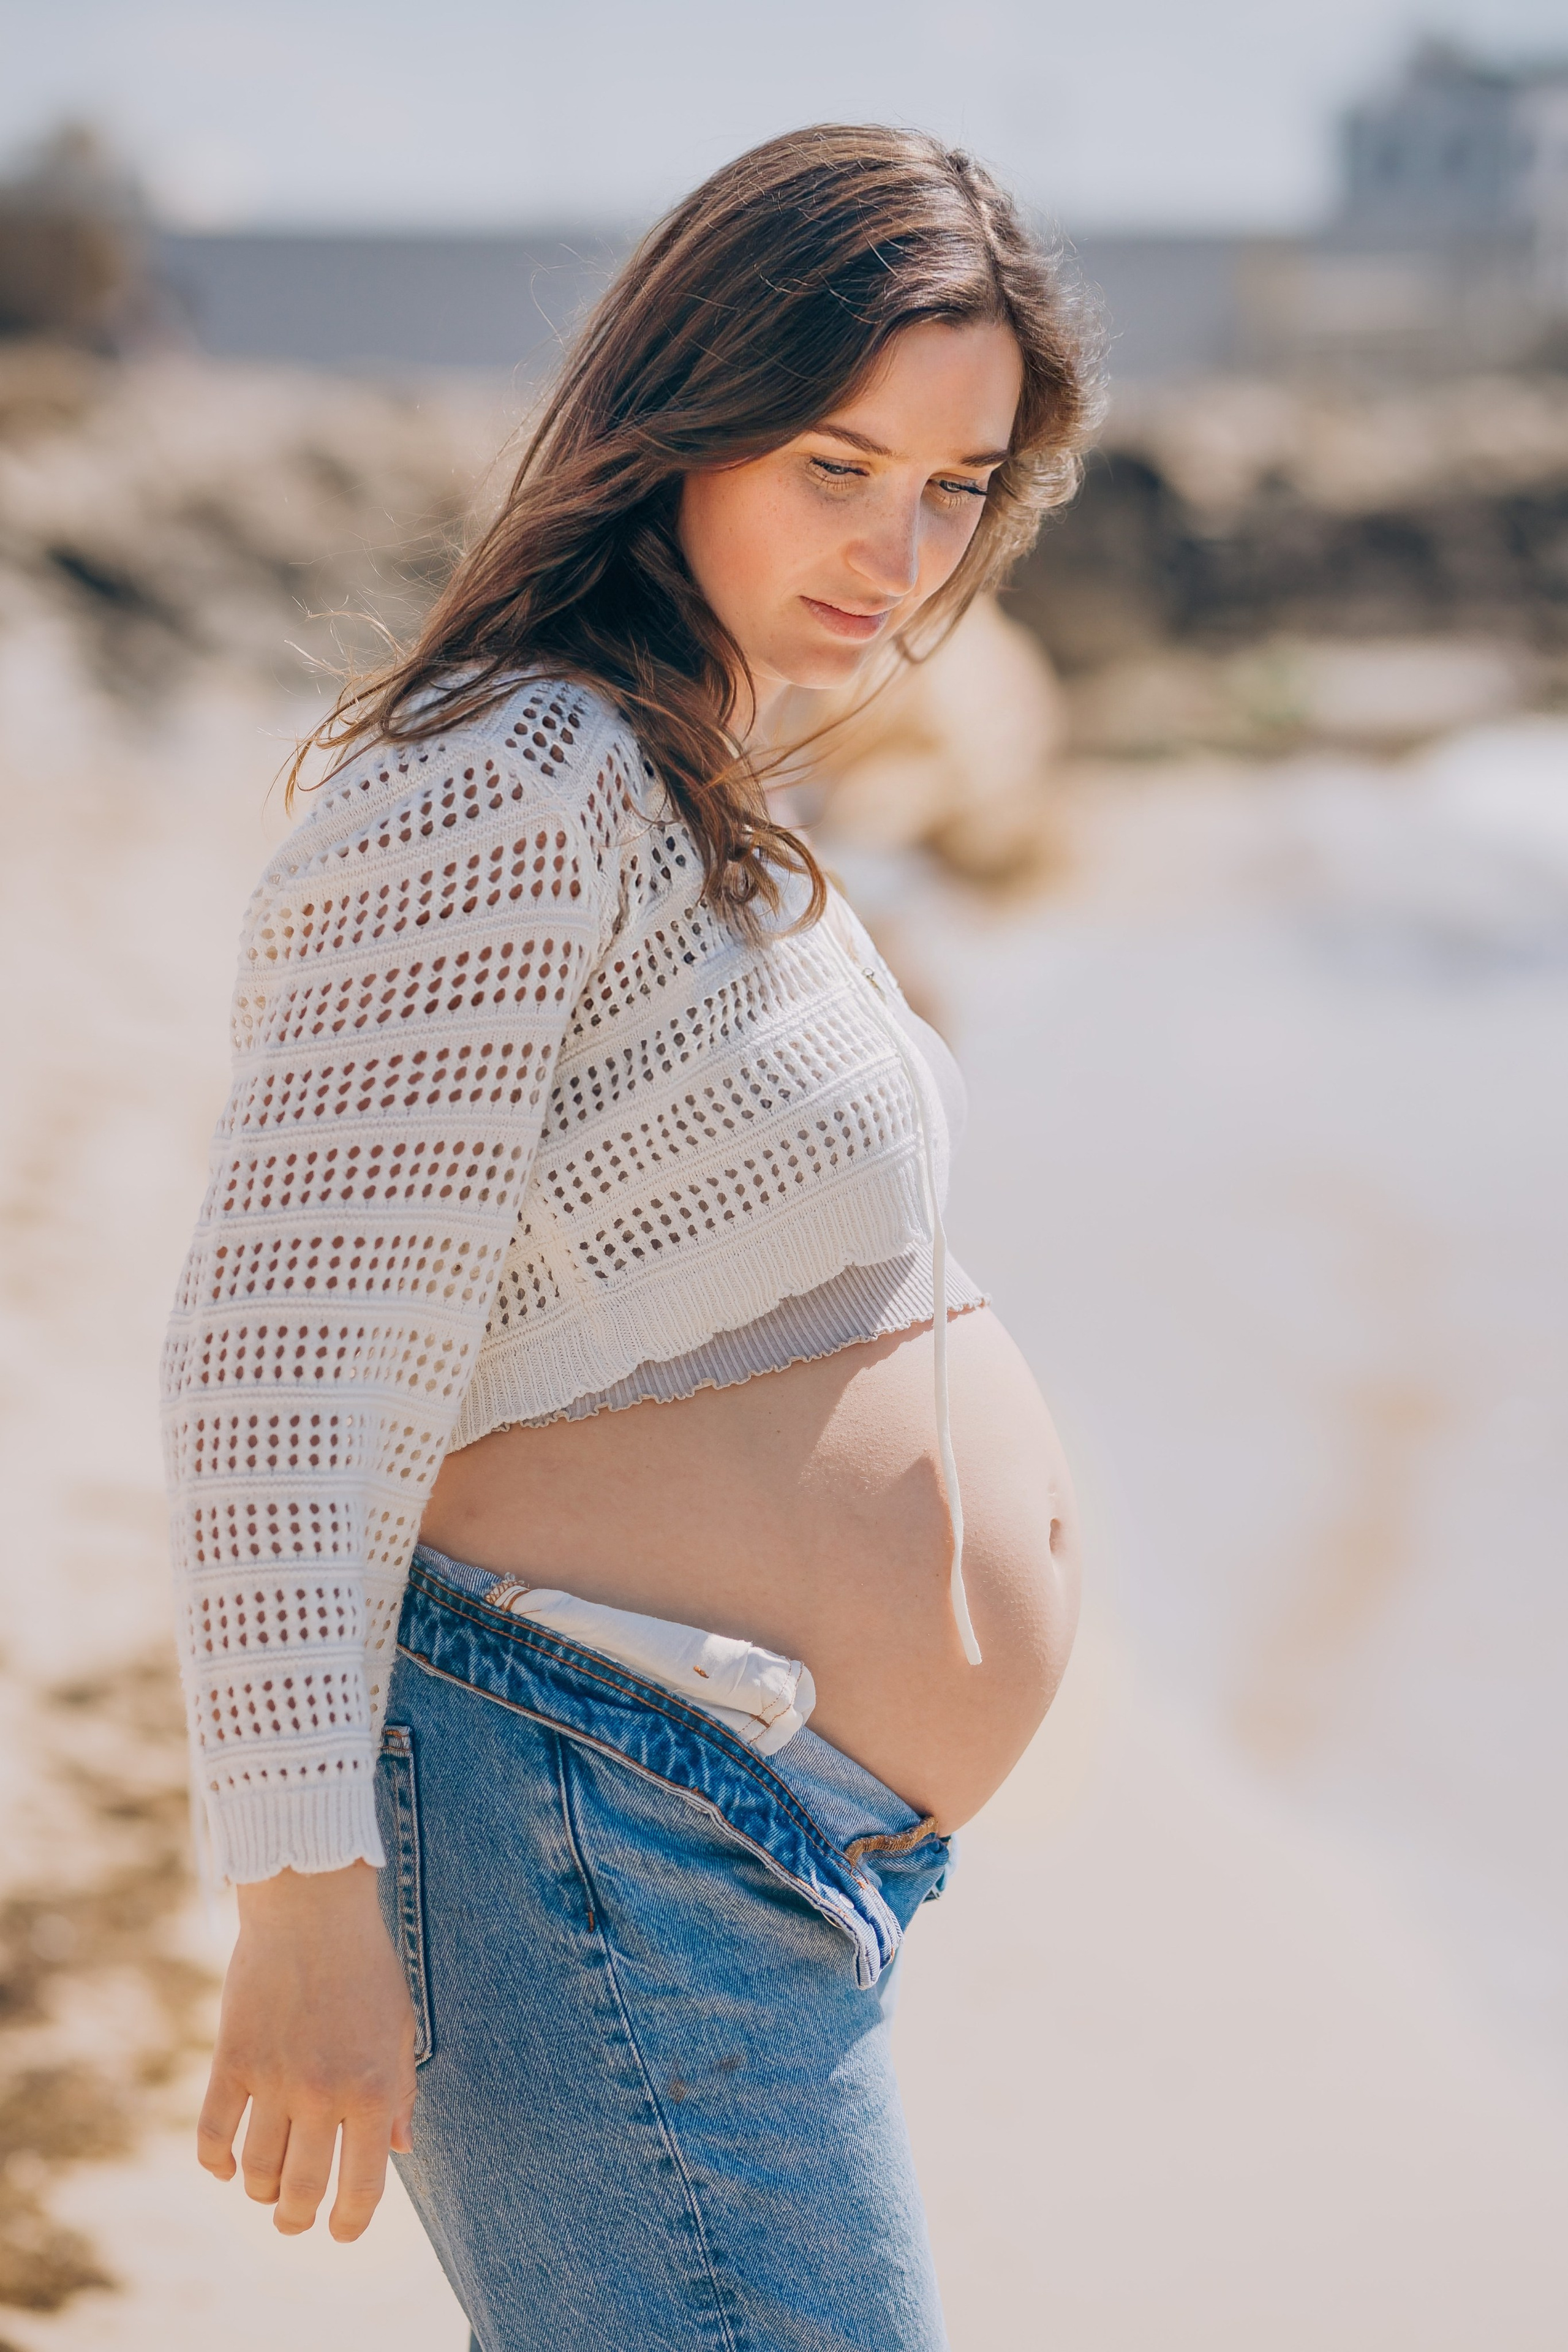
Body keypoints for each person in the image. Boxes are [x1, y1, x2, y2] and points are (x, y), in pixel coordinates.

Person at [162, 123, 1094, 2352]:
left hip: (718, 1815)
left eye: (955, 486)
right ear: (680, 420)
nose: (899, 548)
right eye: (834, 461)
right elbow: (279, 1366)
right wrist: (298, 1903)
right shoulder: (512, 786)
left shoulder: (689, 783)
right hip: (587, 1800)